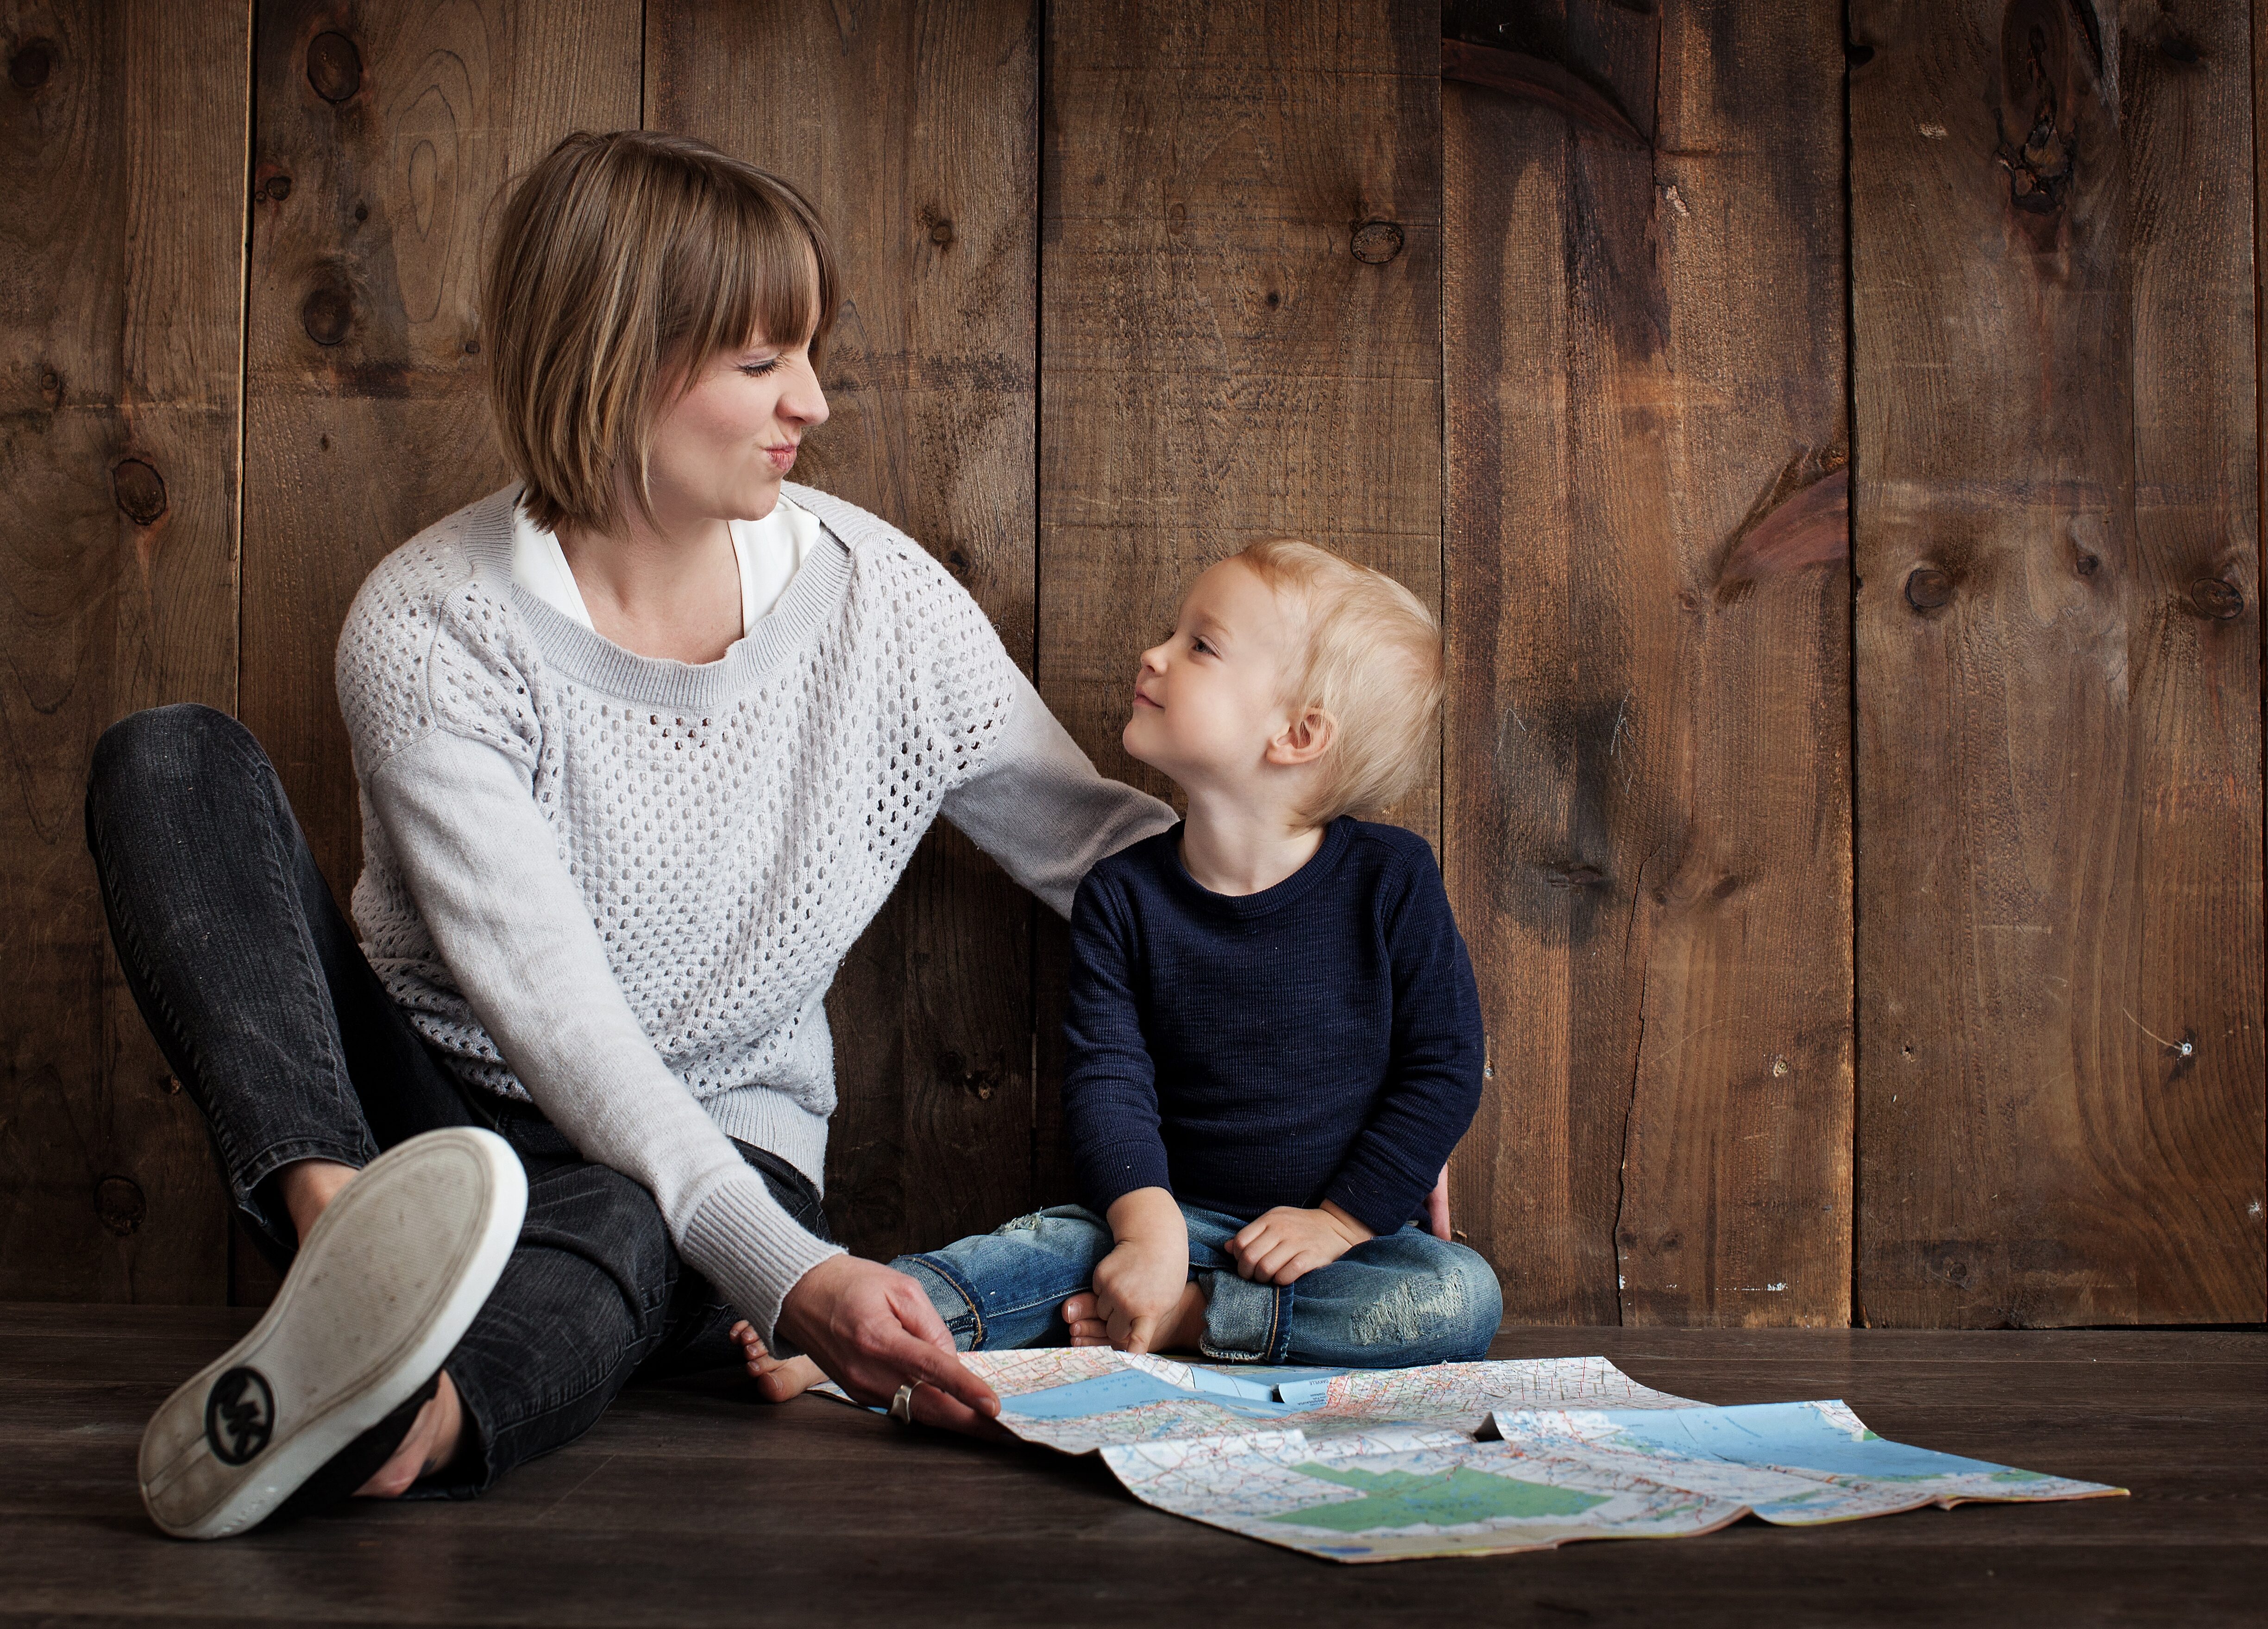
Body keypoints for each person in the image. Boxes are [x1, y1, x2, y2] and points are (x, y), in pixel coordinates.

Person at [84, 128, 1174, 1540]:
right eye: (761, 361)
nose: (815, 403)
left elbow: (1107, 856)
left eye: (807, 353)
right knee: (169, 757)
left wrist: (1357, 1018)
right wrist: (795, 1281)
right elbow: (555, 1012)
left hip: (712, 1148)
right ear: (618, 357)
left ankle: (406, 1414)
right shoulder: (432, 624)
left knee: (622, 1213)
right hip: (424, 1122)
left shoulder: (880, 605)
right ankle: (349, 1249)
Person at [745, 538, 1498, 1393]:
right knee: (1036, 1252)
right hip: (1165, 1212)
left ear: (1297, 734)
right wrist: (1147, 1233)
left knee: (1458, 1297)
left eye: (1199, 646)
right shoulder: (1124, 896)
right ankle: (858, 1331)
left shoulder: (1390, 880)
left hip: (1339, 1246)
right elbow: (1108, 1079)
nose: (1155, 654)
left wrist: (1340, 1220)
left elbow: (1441, 1067)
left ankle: (1197, 1319)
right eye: (1174, 634)